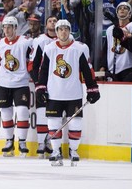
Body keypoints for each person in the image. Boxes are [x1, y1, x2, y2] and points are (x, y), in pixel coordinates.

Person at [35, 19, 100, 166]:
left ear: (70, 31)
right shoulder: (49, 48)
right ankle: (56, 151)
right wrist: (40, 88)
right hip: (54, 94)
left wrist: (92, 88)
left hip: (73, 94)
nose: (63, 32)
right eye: (60, 29)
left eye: (66, 29)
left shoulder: (80, 48)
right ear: (56, 32)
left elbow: (87, 70)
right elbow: (43, 71)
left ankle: (73, 150)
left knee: (75, 123)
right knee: (53, 123)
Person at [0, 16, 33, 157]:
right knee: (5, 113)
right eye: (5, 27)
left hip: (21, 83)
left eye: (10, 27)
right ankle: (9, 141)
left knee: (23, 111)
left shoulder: (25, 43)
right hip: (4, 83)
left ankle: (22, 141)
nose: (7, 30)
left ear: (16, 28)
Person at [28, 15, 58, 158]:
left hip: (59, 82)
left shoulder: (65, 40)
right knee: (41, 111)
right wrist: (38, 83)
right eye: (50, 21)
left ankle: (51, 142)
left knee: (55, 114)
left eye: (55, 21)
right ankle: (41, 142)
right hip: (44, 81)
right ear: (46, 25)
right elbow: (32, 65)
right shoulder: (40, 41)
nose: (52, 23)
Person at [100, 2, 132, 81]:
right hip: (112, 71)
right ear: (117, 12)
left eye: (125, 8)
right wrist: (103, 66)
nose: (122, 9)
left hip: (129, 69)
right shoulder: (110, 29)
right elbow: (106, 50)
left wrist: (127, 38)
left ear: (129, 14)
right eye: (119, 8)